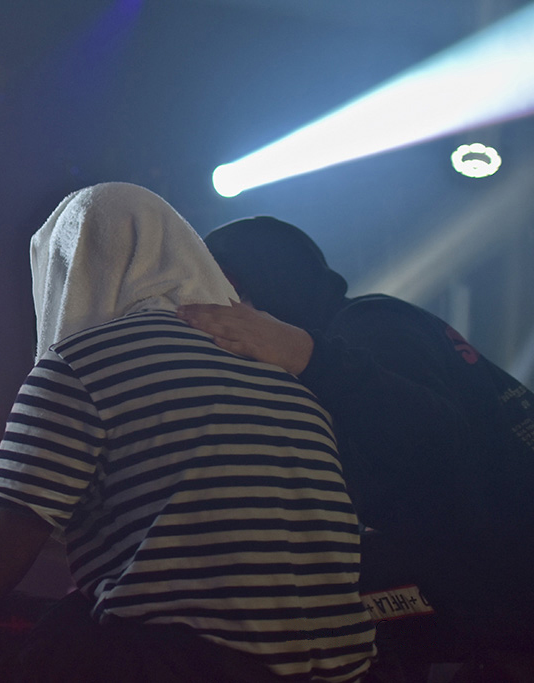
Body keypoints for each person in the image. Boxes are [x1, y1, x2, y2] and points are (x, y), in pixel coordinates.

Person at [0, 183, 375, 682]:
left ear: (62, 274)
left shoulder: (78, 366)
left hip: (190, 670)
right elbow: (189, 536)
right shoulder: (281, 376)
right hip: (346, 672)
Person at [177, 216, 534, 657]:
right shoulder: (365, 325)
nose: (232, 315)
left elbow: (436, 439)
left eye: (237, 294)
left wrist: (303, 352)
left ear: (272, 280)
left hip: (505, 586)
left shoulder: (368, 322)